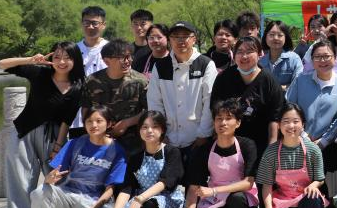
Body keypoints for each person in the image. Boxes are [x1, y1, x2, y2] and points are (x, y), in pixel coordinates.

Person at [0, 42, 84, 208]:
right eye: (57, 57)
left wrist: (59, 145)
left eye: (67, 58)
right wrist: (29, 60)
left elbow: (67, 119)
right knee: (21, 181)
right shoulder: (40, 73)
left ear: (75, 60)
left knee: (59, 176)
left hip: (54, 135)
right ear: (51, 58)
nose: (62, 62)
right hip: (24, 131)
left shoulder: (79, 85)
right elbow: (3, 64)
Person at [23, 105, 127, 208]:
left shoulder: (117, 150)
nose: (94, 125)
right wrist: (49, 179)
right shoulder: (75, 144)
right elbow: (56, 174)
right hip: (69, 196)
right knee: (39, 192)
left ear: (109, 123)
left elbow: (110, 191)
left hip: (95, 202)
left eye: (99, 121)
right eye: (89, 121)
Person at [100, 111, 185, 208]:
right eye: (144, 127)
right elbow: (126, 189)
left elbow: (165, 182)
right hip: (139, 205)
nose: (149, 131)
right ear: (139, 131)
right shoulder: (135, 157)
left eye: (155, 126)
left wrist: (140, 199)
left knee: (150, 205)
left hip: (165, 201)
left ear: (162, 130)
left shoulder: (172, 152)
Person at [181, 99, 259, 208]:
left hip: (239, 197)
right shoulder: (203, 150)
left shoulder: (247, 145)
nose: (223, 123)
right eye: (219, 118)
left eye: (228, 118)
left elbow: (248, 183)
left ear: (238, 123)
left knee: (237, 199)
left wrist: (214, 190)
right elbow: (193, 188)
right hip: (214, 200)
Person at [256, 103, 327, 208]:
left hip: (305, 201)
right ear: (279, 125)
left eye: (295, 121)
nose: (291, 126)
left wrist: (314, 185)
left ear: (303, 124)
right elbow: (266, 185)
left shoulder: (313, 149)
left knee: (313, 197)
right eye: (286, 121)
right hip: (283, 202)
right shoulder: (271, 152)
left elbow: (320, 178)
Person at [286, 39, 337, 202]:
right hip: (297, 140)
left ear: (335, 58)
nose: (322, 60)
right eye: (318, 57)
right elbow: (289, 107)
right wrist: (303, 135)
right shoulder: (301, 80)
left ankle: (326, 205)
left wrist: (324, 141)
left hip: (325, 144)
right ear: (312, 60)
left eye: (327, 56)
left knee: (324, 186)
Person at [147, 21, 218, 157]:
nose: (180, 41)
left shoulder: (206, 64)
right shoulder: (160, 66)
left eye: (185, 36)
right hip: (168, 138)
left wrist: (203, 134)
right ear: (169, 40)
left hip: (198, 138)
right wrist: (160, 133)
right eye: (176, 37)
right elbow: (155, 102)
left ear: (194, 39)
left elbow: (209, 101)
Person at [210, 36, 284, 159]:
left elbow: (274, 117)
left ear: (260, 54)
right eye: (239, 52)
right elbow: (215, 109)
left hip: (260, 145)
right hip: (229, 144)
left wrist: (271, 150)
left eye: (249, 51)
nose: (244, 56)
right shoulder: (224, 78)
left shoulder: (269, 81)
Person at [80, 39, 148, 157]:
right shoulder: (92, 81)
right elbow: (86, 108)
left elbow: (149, 111)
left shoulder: (140, 81)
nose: (128, 61)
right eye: (122, 57)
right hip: (99, 139)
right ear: (107, 61)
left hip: (132, 141)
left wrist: (125, 123)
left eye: (129, 57)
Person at [68, 6, 109, 138]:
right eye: (87, 22)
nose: (90, 27)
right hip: (76, 115)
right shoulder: (73, 50)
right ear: (82, 24)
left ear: (103, 25)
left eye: (95, 23)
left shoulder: (111, 49)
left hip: (104, 113)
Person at [258, 20, 303, 91]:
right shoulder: (261, 62)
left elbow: (299, 83)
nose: (275, 38)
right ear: (265, 37)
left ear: (286, 38)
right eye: (271, 34)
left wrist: (278, 88)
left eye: (280, 35)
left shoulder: (294, 59)